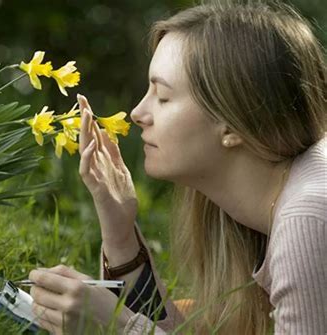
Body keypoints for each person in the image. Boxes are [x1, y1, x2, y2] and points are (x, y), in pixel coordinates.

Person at [27, 2, 326, 334]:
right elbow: (193, 330)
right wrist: (120, 231)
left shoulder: (308, 217)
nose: (137, 113)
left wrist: (119, 326)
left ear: (232, 125)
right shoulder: (260, 206)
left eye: (163, 97)